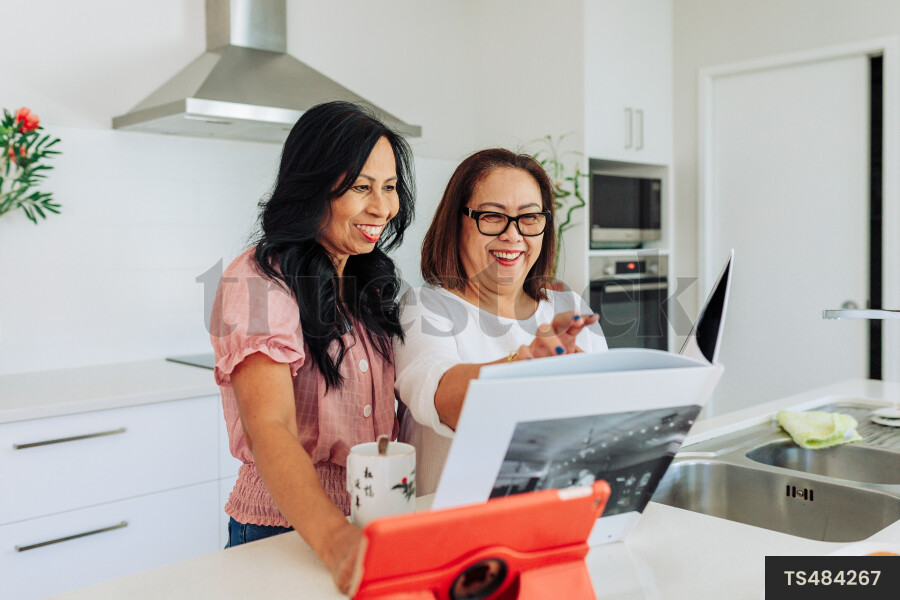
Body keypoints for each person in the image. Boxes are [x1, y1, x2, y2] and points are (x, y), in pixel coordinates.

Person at [209, 101, 414, 595]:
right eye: (361, 187)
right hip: (285, 530)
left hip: (375, 518)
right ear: (311, 186)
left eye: (389, 188)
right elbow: (269, 427)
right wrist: (336, 539)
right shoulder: (257, 281)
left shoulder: (369, 280)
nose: (383, 209)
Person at [393, 148, 608, 496]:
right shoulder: (425, 307)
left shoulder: (567, 306)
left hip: (552, 518)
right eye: (492, 216)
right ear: (456, 222)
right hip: (455, 533)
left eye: (529, 217)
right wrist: (523, 365)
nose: (513, 235)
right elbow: (439, 394)